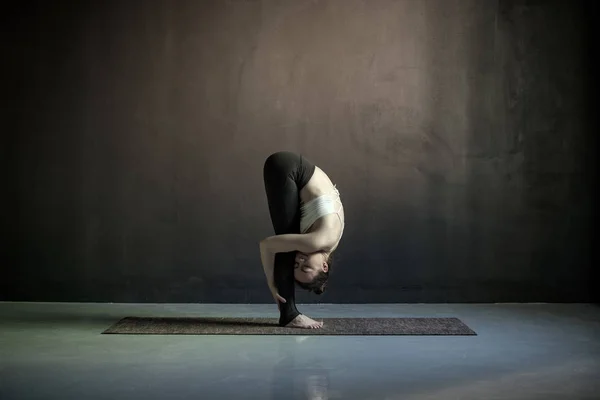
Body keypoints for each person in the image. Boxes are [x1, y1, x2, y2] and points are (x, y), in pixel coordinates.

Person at [260, 151, 345, 329]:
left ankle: (289, 313)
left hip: (291, 167)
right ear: (324, 266)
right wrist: (271, 283)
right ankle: (289, 314)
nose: (299, 260)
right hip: (289, 168)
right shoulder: (317, 241)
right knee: (286, 248)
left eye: (297, 266)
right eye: (306, 266)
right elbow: (267, 244)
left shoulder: (331, 242)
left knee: (289, 244)